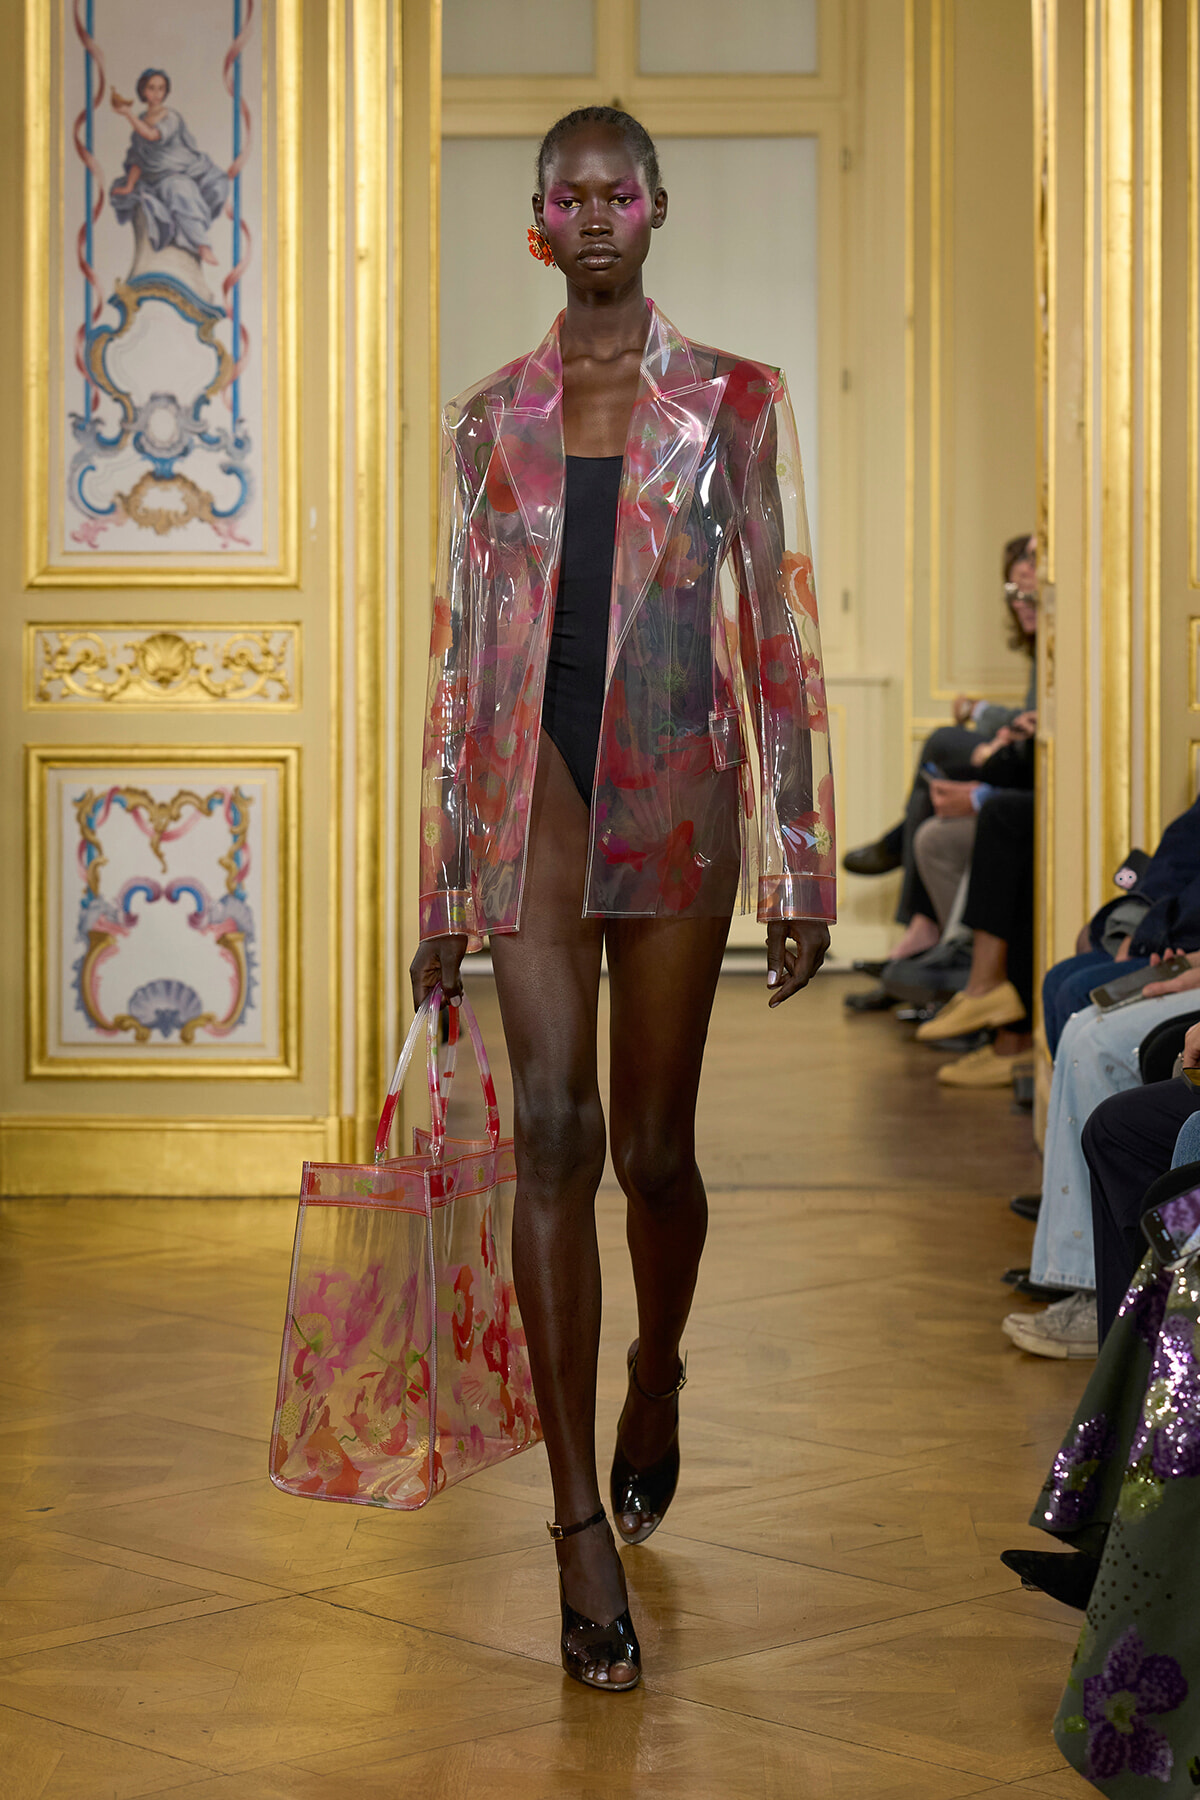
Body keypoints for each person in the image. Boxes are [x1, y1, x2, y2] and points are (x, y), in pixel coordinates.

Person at [408, 108, 834, 1694]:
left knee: (654, 1155)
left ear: (656, 208)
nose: (595, 215)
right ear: (540, 218)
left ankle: (656, 1371)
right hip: (536, 799)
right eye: (569, 195)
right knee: (553, 1134)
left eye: (619, 193)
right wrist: (446, 876)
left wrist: (800, 856)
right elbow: (463, 658)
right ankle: (575, 1522)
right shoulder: (487, 421)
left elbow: (779, 628)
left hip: (679, 788)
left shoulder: (734, 401)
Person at [842, 536, 1037, 967]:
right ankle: (920, 933)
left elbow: (1038, 723)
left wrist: (985, 720)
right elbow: (1031, 718)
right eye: (1013, 592)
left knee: (943, 743)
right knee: (933, 786)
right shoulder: (1043, 646)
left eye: (1028, 589)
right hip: (1018, 760)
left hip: (1023, 768)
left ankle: (906, 876)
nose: (1020, 599)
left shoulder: (1061, 643)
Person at [110, 70, 229, 269]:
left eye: (161, 88)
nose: (157, 93)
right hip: (159, 178)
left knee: (192, 187)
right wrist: (129, 186)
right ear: (143, 91)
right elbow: (138, 158)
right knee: (178, 189)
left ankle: (198, 240)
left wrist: (127, 114)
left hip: (184, 170)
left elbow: (152, 135)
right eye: (151, 88)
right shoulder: (140, 120)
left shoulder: (171, 117)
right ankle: (198, 243)